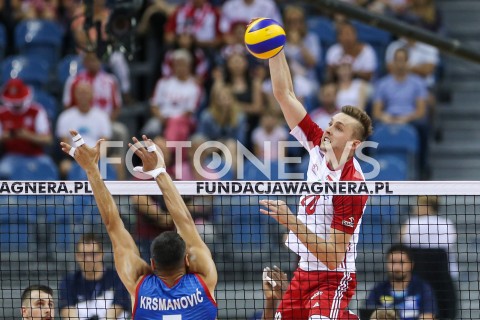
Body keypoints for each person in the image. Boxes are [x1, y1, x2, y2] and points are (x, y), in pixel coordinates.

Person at [260, 25, 373, 319]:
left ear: (353, 143)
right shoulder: (316, 144)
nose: (328, 128)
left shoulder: (352, 185)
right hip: (304, 271)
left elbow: (334, 258)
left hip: (334, 278)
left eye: (338, 127)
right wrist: (274, 48)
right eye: (331, 121)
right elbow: (284, 94)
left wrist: (289, 220)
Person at [59, 130, 217, 319]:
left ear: (151, 263)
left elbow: (113, 225)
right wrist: (159, 171)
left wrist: (91, 169)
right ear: (187, 260)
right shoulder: (204, 280)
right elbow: (186, 222)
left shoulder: (139, 285)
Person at [58, 233, 131, 319]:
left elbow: (117, 308)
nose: (88, 259)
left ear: (101, 254)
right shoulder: (68, 282)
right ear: (77, 256)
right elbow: (67, 311)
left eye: (93, 254)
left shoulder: (118, 278)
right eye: (83, 255)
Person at [366, 244, 437, 320]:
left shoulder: (423, 288)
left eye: (402, 262)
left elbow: (428, 316)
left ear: (411, 265)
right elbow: (370, 316)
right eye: (392, 262)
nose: (397, 267)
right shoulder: (378, 290)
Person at [400, 195, 458, 278]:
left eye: (418, 204)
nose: (415, 207)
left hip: (422, 271)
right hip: (442, 272)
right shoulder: (446, 223)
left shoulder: (411, 223)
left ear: (427, 206)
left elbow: (402, 240)